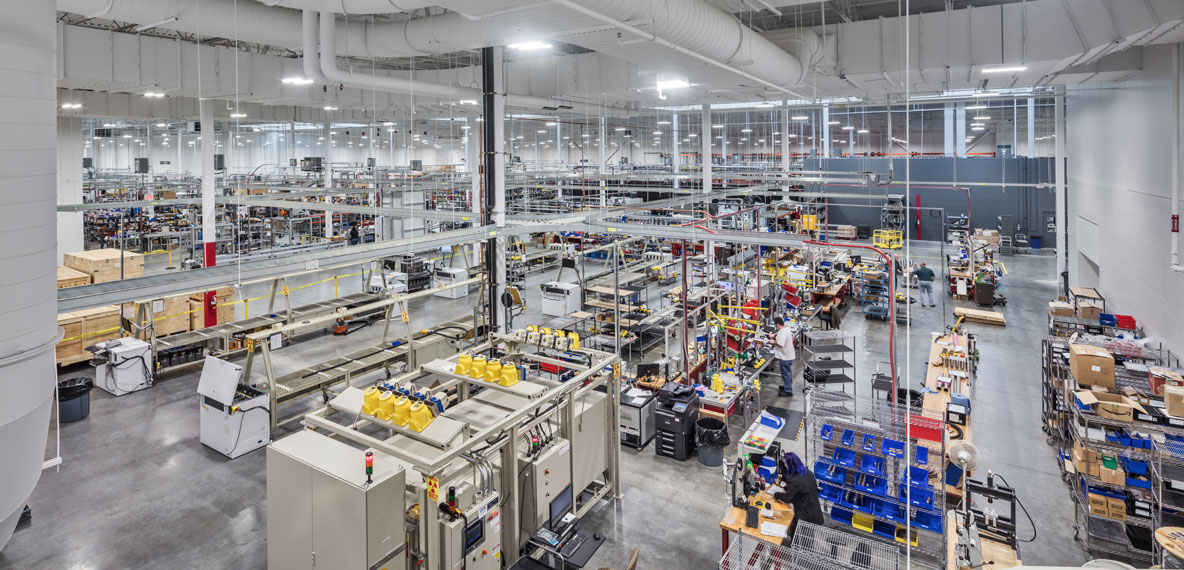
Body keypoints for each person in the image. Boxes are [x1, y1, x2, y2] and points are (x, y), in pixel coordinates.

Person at [773, 452, 824, 541]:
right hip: (814, 512)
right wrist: (789, 488)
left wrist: (777, 494)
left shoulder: (795, 481)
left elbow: (788, 498)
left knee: (801, 541)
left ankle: (797, 552)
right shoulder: (808, 473)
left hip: (805, 517)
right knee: (808, 537)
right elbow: (803, 488)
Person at [772, 317, 796, 397]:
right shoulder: (785, 329)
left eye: (776, 325)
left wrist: (773, 342)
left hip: (785, 357)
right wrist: (774, 334)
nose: (776, 326)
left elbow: (781, 344)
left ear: (777, 324)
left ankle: (788, 391)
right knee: (786, 373)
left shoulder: (783, 332)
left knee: (786, 374)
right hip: (787, 355)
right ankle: (786, 385)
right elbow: (781, 331)